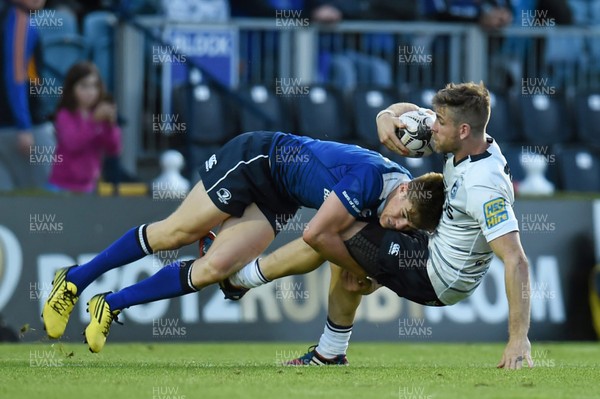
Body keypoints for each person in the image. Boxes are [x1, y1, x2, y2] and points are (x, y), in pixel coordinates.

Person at [41, 130, 444, 352]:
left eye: (406, 227)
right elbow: (316, 237)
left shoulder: (393, 203)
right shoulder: (371, 181)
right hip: (255, 159)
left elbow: (333, 249)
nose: (395, 223)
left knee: (213, 270)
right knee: (176, 233)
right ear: (406, 189)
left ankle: (109, 305)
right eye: (402, 214)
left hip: (279, 197)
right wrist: (365, 271)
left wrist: (368, 274)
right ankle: (74, 280)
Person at [224, 82, 534, 370]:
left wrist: (518, 339)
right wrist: (386, 115)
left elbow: (516, 259)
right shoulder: (469, 140)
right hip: (431, 247)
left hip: (436, 278)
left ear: (463, 129)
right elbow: (412, 113)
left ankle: (240, 279)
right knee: (345, 243)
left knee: (334, 229)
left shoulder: (484, 185)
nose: (432, 125)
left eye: (440, 122)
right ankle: (330, 352)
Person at [0, 0, 55, 191]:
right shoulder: (19, 20)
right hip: (20, 127)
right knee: (45, 198)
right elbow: (15, 76)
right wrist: (24, 126)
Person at [47, 62, 121, 193]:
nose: (90, 92)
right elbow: (73, 143)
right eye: (84, 86)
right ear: (72, 88)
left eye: (94, 86)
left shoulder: (98, 114)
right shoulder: (65, 114)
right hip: (61, 187)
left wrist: (111, 126)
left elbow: (113, 149)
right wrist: (94, 122)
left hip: (89, 187)